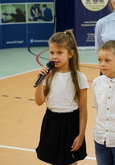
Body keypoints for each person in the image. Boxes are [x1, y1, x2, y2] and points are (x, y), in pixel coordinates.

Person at [34, 30, 88, 165]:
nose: (54, 57)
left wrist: (81, 135)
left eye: (59, 53)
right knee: (53, 160)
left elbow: (83, 108)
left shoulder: (79, 78)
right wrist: (41, 81)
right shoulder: (49, 76)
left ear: (70, 54)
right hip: (52, 121)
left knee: (71, 160)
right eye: (52, 52)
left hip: (71, 123)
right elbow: (39, 102)